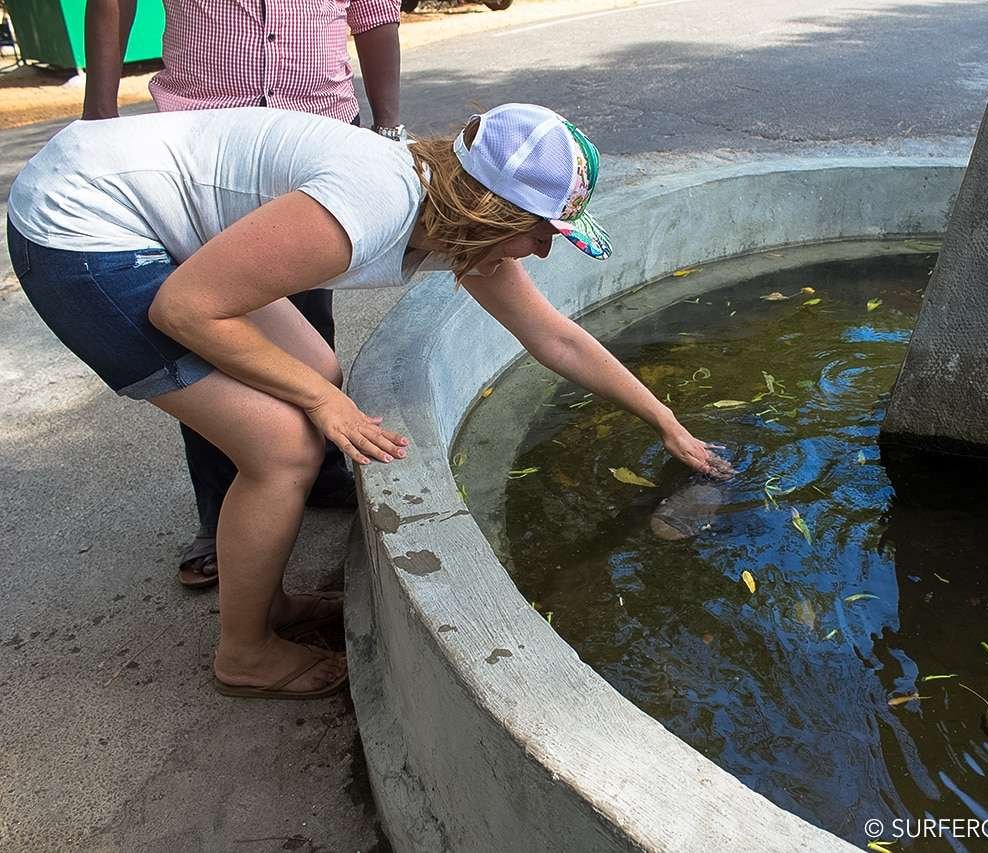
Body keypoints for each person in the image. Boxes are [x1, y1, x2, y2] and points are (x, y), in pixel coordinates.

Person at [8, 102, 731, 699]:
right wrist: (325, 406)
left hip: (134, 206)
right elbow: (187, 311)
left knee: (313, 361)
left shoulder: (453, 213)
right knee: (285, 447)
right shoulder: (373, 204)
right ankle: (245, 653)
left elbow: (557, 339)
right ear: (492, 210)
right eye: (540, 234)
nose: (539, 254)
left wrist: (664, 420)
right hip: (81, 231)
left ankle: (271, 600)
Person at [81, 0, 405, 589]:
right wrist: (99, 113)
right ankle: (221, 511)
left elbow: (374, 13)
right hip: (200, 150)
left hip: (314, 132)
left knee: (308, 332)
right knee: (207, 336)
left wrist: (388, 128)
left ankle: (315, 471)